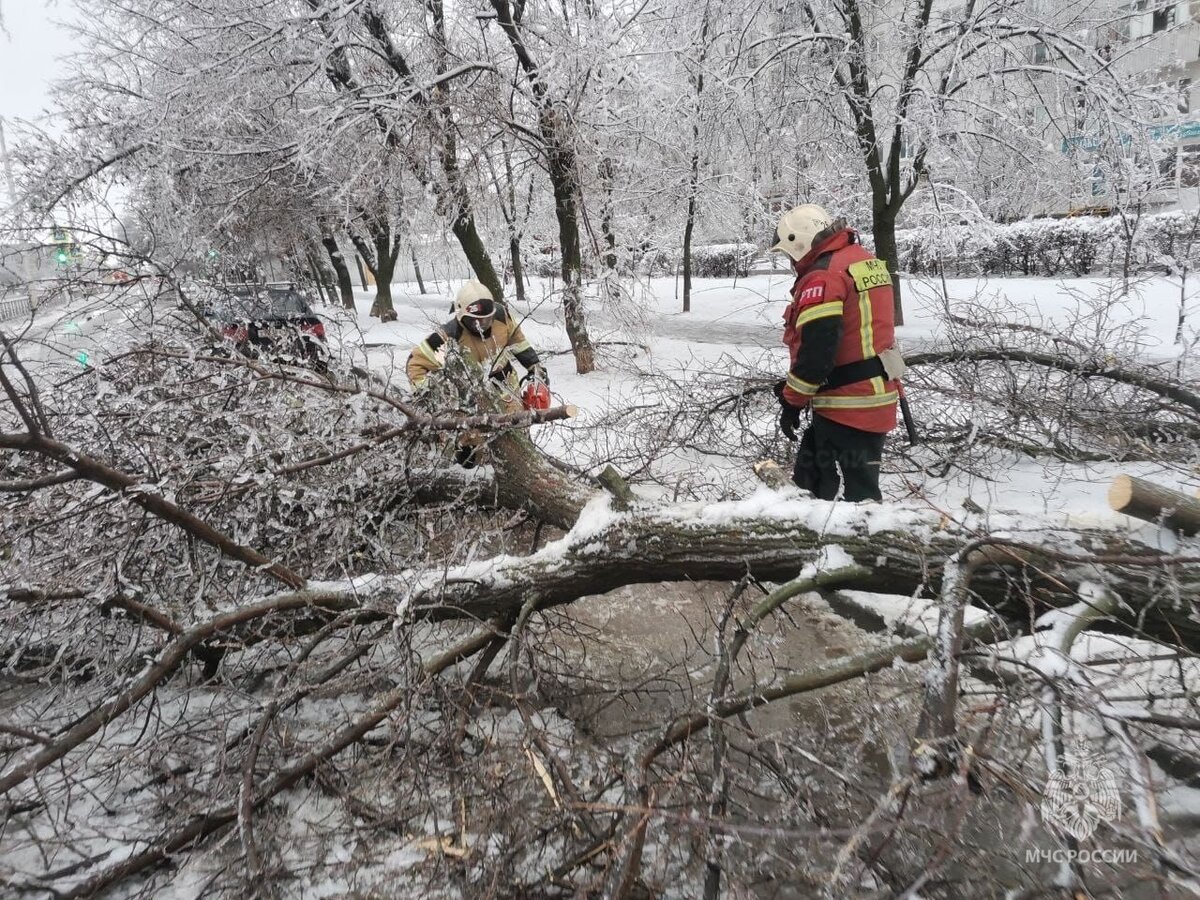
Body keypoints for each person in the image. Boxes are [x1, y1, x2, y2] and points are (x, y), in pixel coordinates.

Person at [769, 204, 903, 502]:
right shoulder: (865, 262)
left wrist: (792, 401)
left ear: (800, 241)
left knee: (848, 498)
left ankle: (857, 544)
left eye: (789, 253)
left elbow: (817, 355)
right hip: (873, 400)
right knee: (815, 481)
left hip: (847, 408)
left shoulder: (823, 278)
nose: (791, 261)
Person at [406, 279, 547, 466]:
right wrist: (428, 392)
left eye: (486, 319)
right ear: (461, 315)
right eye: (475, 320)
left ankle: (524, 466)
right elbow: (415, 363)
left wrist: (534, 366)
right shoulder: (449, 335)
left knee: (517, 432)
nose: (482, 324)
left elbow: (517, 341)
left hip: (505, 386)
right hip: (469, 397)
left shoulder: (501, 317)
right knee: (472, 442)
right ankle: (475, 472)